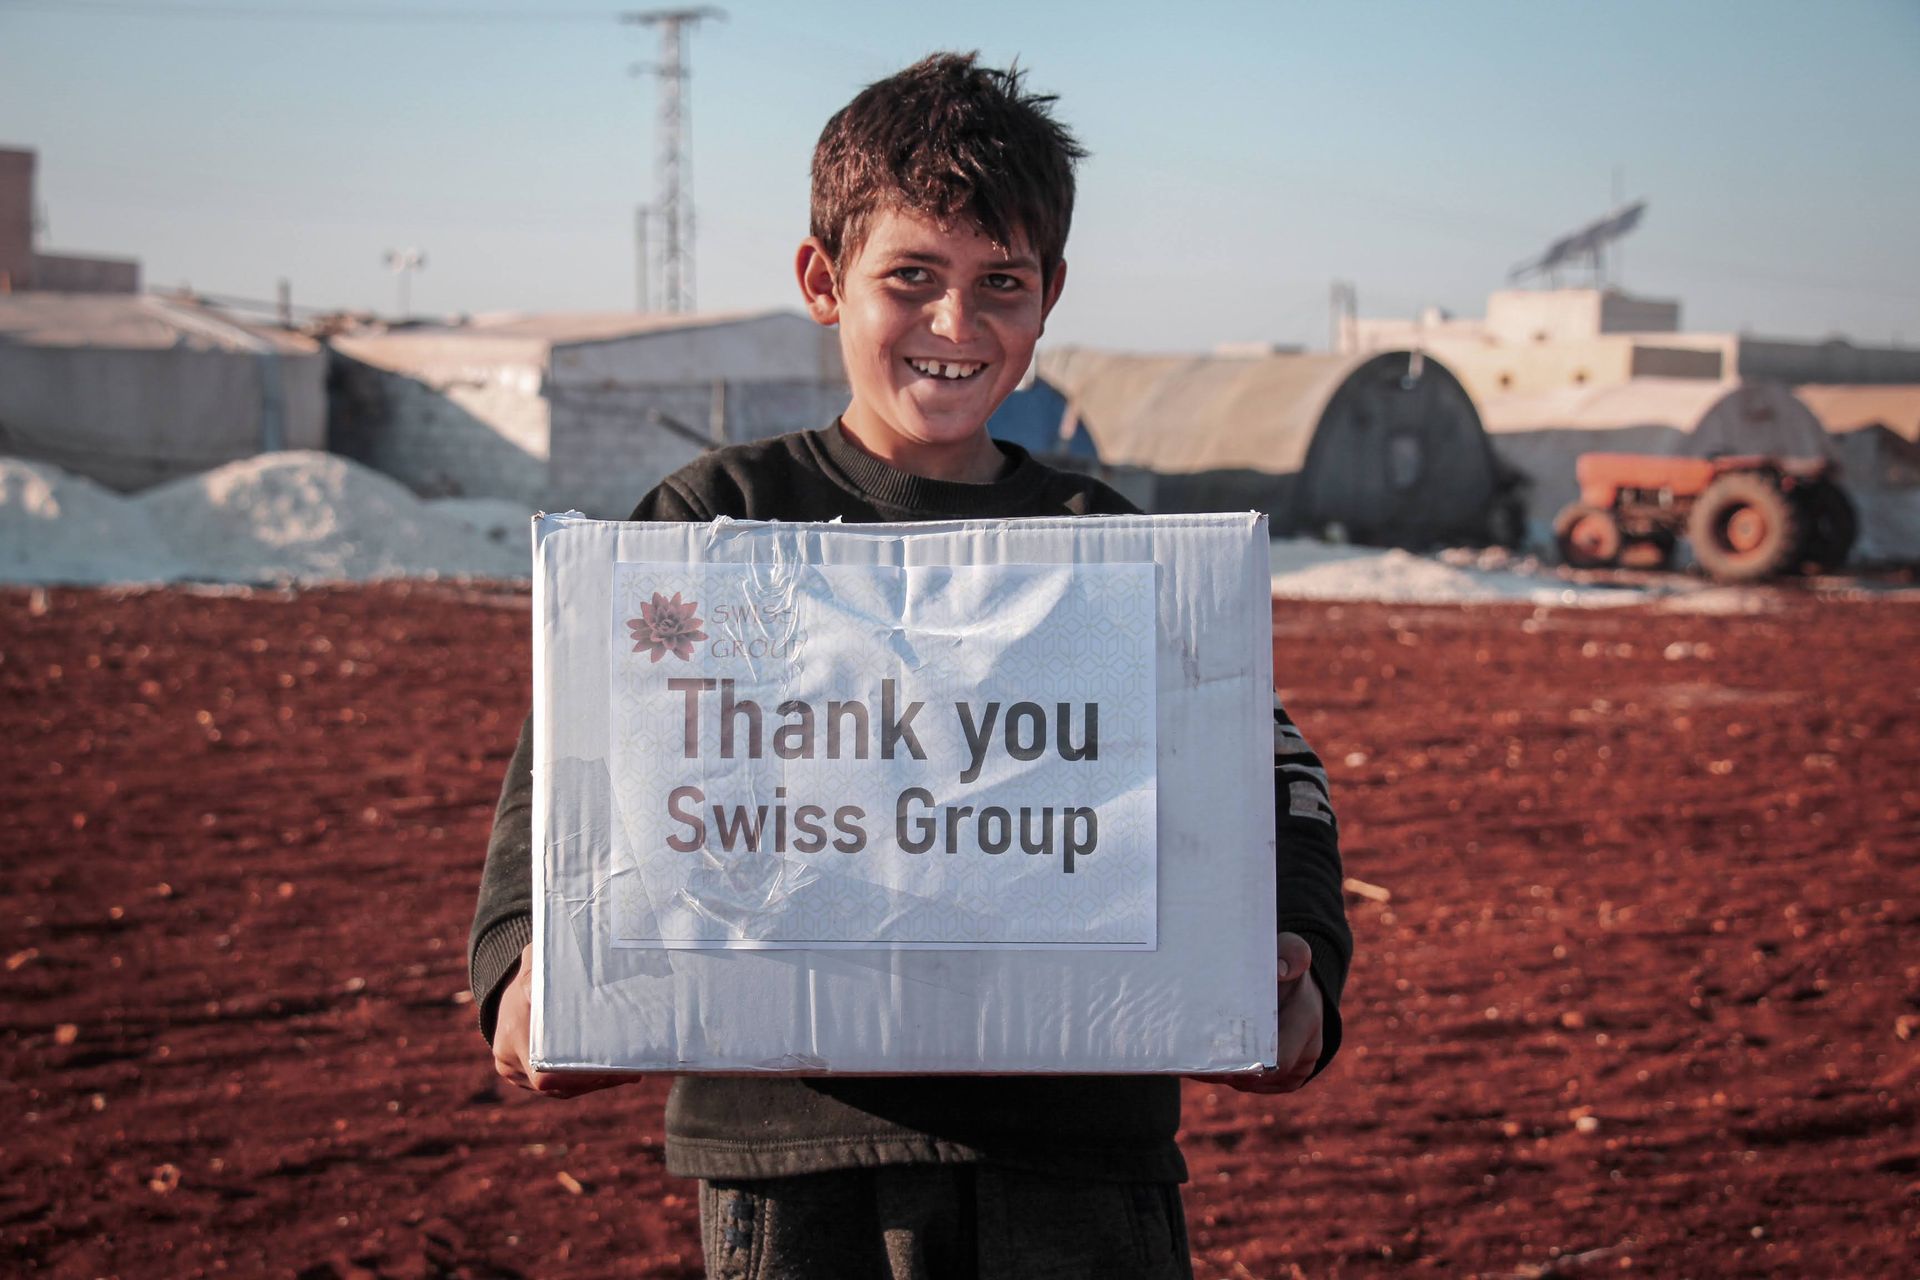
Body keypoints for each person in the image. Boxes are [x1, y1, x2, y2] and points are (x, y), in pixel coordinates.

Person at [469, 51, 1351, 1280]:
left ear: (1048, 302)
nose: (956, 324)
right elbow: (574, 756)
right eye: (912, 278)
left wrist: (1299, 958)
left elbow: (1265, 757)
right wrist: (524, 962)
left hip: (1079, 1165)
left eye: (1001, 282)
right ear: (823, 280)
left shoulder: (1109, 549)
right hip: (797, 1165)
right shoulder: (716, 522)